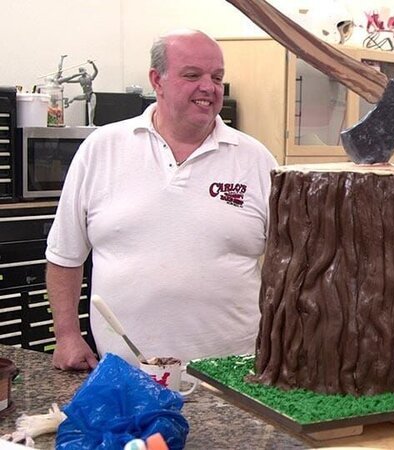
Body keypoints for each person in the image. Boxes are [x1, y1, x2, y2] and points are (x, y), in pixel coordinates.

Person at [46, 29, 278, 370]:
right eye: (192, 75)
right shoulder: (102, 149)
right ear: (158, 80)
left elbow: (292, 264)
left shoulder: (256, 160)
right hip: (124, 371)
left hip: (235, 371)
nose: (208, 87)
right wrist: (66, 335)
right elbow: (64, 254)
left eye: (216, 77)